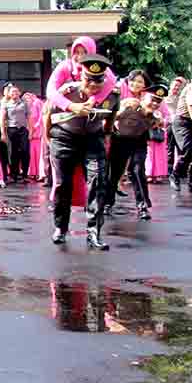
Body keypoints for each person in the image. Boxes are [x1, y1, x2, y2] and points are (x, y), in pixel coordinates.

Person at [47, 55, 119, 250]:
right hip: (64, 137)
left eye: (99, 80)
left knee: (98, 182)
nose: (94, 84)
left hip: (93, 139)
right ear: (81, 76)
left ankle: (93, 233)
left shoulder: (112, 95)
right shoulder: (67, 91)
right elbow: (49, 112)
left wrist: (107, 133)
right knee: (63, 185)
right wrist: (48, 138)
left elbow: (112, 114)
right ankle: (61, 228)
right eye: (89, 79)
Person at [104, 75, 161, 220]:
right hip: (120, 139)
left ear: (144, 85)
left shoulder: (151, 97)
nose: (136, 84)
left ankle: (142, 206)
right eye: (134, 80)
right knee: (114, 173)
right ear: (128, 82)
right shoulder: (117, 94)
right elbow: (108, 114)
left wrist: (151, 114)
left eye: (140, 81)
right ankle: (107, 203)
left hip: (139, 140)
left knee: (137, 170)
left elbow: (159, 119)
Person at [0, 85, 30, 182]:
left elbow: (29, 117)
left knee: (25, 151)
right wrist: (3, 133)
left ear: (19, 93)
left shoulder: (24, 104)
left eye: (16, 92)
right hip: (11, 129)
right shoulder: (6, 104)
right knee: (13, 153)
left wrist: (31, 130)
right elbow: (2, 119)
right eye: (12, 92)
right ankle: (14, 174)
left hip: (23, 129)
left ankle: (24, 174)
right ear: (9, 94)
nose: (15, 94)